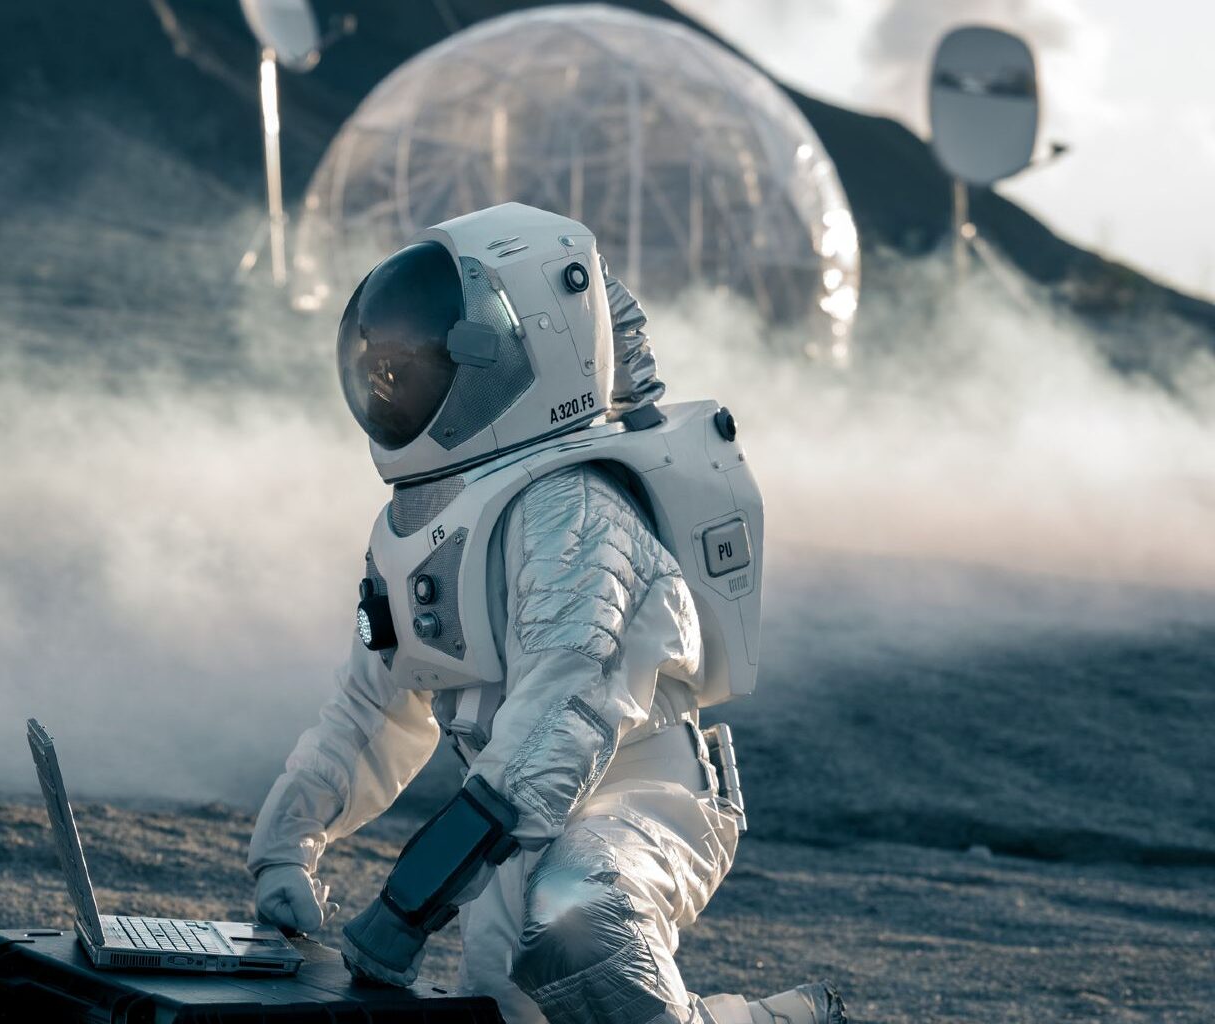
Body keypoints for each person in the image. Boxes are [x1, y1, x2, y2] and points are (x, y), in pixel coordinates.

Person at [245, 203, 845, 1024]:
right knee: (505, 1001)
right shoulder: (426, 524)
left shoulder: (575, 510)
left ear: (518, 351)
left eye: (426, 353)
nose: (394, 376)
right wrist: (285, 851)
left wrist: (407, 910)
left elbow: (557, 718)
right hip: (510, 820)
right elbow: (371, 709)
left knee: (576, 921)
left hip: (640, 793)